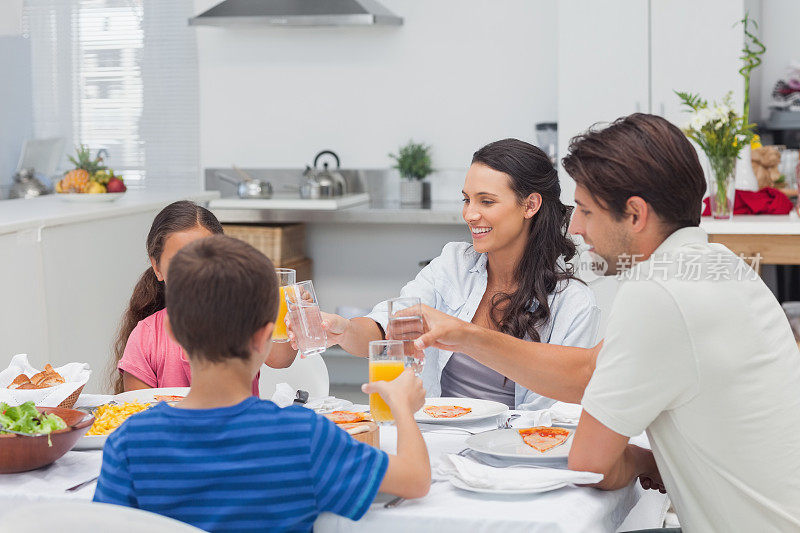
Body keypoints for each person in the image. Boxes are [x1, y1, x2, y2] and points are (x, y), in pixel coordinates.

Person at [411, 114, 800, 531]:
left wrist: (643, 461)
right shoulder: (720, 265)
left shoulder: (658, 293)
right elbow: (592, 369)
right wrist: (467, 336)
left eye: (586, 210)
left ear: (635, 214)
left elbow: (590, 465)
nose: (576, 227)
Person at [93, 235, 430, 532]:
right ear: (266, 338)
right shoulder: (303, 435)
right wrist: (402, 405)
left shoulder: (128, 443)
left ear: (172, 332)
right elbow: (415, 480)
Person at [283, 139, 598, 410]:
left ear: (530, 205)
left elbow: (558, 413)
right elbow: (387, 327)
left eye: (486, 201)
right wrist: (342, 330)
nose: (470, 214)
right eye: (466, 199)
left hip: (518, 453)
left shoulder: (572, 304)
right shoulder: (454, 265)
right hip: (439, 438)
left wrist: (465, 336)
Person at [110, 201, 248, 394]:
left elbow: (281, 357)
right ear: (157, 268)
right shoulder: (145, 337)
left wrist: (295, 319)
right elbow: (139, 413)